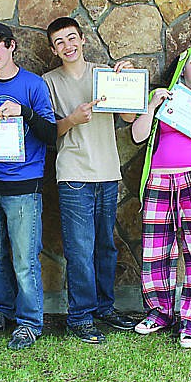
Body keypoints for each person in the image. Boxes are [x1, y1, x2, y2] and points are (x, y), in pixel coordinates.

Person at [42, 17, 136, 344]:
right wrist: (72, 119)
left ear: (82, 40)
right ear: (54, 50)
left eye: (71, 39)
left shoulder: (106, 74)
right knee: (79, 249)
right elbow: (45, 132)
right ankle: (80, 315)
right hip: (73, 174)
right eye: (60, 43)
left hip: (107, 172)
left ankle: (104, 307)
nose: (67, 46)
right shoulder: (48, 82)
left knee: (105, 247)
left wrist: (129, 82)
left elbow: (128, 116)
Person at [131, 46, 191, 348]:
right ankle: (160, 312)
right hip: (160, 180)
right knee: (156, 250)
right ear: (182, 69)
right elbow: (137, 136)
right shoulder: (163, 98)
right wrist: (151, 107)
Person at [0, 22, 57, 350]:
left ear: (11, 46)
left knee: (24, 260)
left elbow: (51, 135)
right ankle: (6, 313)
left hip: (24, 186)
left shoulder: (33, 85)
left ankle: (30, 323)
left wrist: (24, 113)